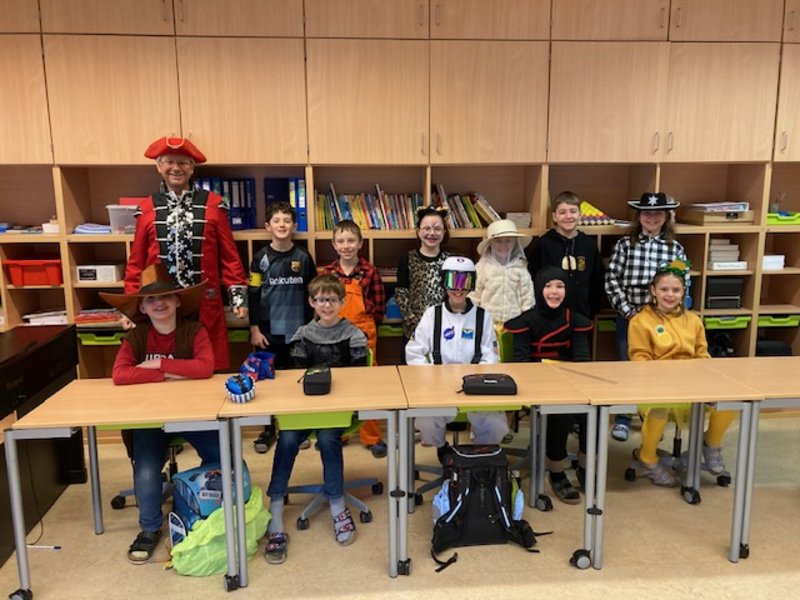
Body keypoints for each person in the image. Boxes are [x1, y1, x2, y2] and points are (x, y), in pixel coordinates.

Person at [101, 263, 217, 564]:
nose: (159, 303)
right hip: (150, 419)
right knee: (146, 469)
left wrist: (157, 365)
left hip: (192, 414)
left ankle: (202, 508)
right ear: (142, 307)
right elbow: (120, 375)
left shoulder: (194, 331)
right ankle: (150, 529)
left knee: (221, 455)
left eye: (166, 296)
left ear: (178, 301)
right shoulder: (137, 337)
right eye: (151, 299)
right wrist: (172, 373)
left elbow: (205, 367)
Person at [264, 274, 369, 564]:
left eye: (332, 299)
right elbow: (295, 379)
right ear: (311, 302)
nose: (327, 305)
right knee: (287, 438)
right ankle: (275, 507)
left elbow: (360, 380)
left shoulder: (354, 334)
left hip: (339, 410)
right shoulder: (302, 334)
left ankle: (337, 503)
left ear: (342, 302)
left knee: (327, 437)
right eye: (321, 299)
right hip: (306, 408)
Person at [125, 136, 248, 372]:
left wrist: (238, 298)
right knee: (166, 366)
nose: (176, 168)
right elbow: (136, 261)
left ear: (192, 168)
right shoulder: (147, 208)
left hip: (205, 301)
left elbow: (230, 257)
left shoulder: (214, 205)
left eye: (183, 163)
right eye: (169, 162)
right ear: (159, 167)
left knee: (207, 365)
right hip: (161, 302)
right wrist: (130, 306)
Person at [627, 259, 733, 486]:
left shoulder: (693, 320)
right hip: (656, 386)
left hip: (692, 383)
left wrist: (701, 376)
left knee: (730, 401)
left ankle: (710, 444)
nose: (670, 295)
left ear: (683, 291)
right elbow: (640, 360)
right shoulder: (640, 321)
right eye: (664, 289)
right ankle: (648, 458)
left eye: (675, 290)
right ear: (653, 291)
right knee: (660, 408)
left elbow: (702, 355)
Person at [504, 266, 593, 504]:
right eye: (548, 286)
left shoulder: (575, 320)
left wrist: (574, 384)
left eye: (560, 286)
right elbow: (521, 363)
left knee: (594, 411)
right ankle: (556, 470)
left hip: (570, 382)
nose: (554, 292)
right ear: (538, 289)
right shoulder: (526, 320)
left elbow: (582, 360)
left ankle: (585, 466)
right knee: (561, 411)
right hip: (536, 384)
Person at [604, 192, 687, 442]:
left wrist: (669, 314)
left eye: (658, 213)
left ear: (666, 217)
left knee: (657, 370)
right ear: (639, 216)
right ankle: (623, 417)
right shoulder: (625, 245)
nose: (652, 218)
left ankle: (652, 419)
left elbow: (683, 282)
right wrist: (629, 312)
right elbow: (612, 280)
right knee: (629, 367)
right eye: (647, 213)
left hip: (663, 321)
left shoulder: (674, 248)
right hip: (631, 317)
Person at [406, 256, 508, 459]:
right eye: (452, 281)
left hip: (476, 386)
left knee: (495, 423)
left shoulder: (483, 316)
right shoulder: (432, 315)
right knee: (426, 421)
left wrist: (477, 379)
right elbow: (414, 351)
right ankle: (442, 449)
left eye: (464, 281)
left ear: (472, 284)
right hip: (438, 386)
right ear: (443, 282)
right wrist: (432, 376)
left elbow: (491, 355)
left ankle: (479, 454)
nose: (458, 288)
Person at [249, 201, 317, 454]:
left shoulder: (303, 257)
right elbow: (253, 294)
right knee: (268, 383)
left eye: (287, 220)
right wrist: (254, 328)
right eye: (276, 221)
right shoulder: (260, 259)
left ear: (294, 226)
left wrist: (313, 328)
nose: (282, 225)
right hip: (268, 333)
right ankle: (269, 429)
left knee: (296, 381)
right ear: (268, 226)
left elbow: (314, 293)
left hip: (299, 332)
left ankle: (296, 428)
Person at [323, 219, 388, 459]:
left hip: (363, 333)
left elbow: (379, 308)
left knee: (368, 386)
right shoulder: (329, 273)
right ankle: (338, 433)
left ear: (360, 243)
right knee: (337, 384)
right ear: (334, 244)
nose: (346, 246)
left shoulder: (370, 272)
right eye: (341, 241)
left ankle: (372, 437)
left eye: (351, 240)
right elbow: (322, 305)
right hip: (333, 333)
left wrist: (365, 328)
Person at [528, 191, 605, 320]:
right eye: (562, 212)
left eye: (573, 211)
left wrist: (591, 310)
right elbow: (533, 278)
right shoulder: (543, 244)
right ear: (554, 217)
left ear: (580, 215)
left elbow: (597, 280)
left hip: (582, 314)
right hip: (548, 315)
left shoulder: (589, 245)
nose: (568, 216)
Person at [395, 206, 451, 362]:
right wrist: (415, 324)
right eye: (426, 228)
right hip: (414, 331)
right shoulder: (407, 259)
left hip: (445, 331)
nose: (432, 233)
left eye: (437, 229)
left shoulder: (450, 261)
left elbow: (455, 295)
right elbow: (401, 295)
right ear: (419, 232)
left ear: (444, 232)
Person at [471, 218, 534, 326]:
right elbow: (474, 297)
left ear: (515, 243)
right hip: (486, 323)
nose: (503, 245)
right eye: (498, 241)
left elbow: (527, 299)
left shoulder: (520, 268)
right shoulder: (481, 268)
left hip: (514, 323)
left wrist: (525, 324)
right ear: (490, 243)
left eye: (508, 240)